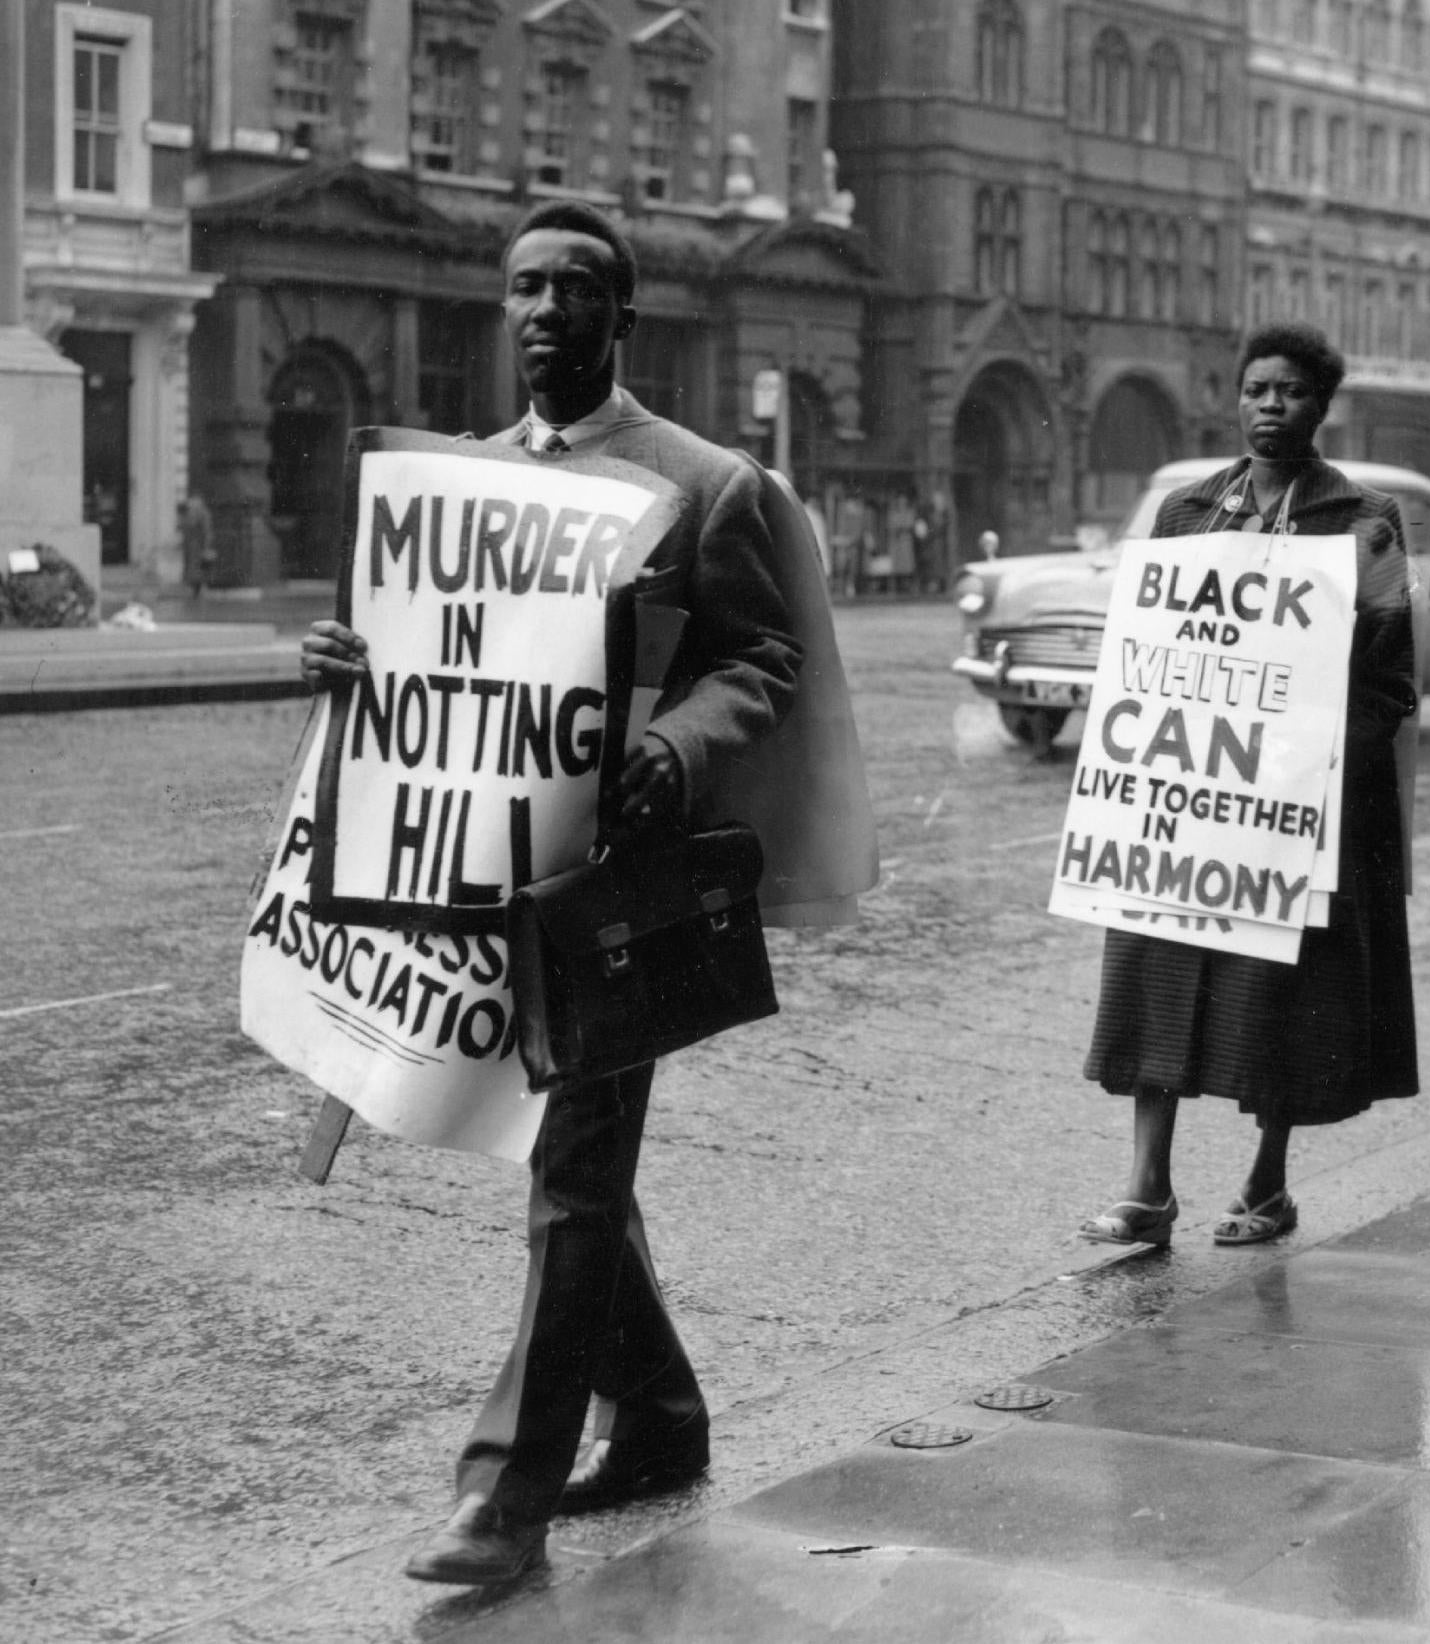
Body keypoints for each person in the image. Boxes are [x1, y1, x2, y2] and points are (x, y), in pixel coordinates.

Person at [300, 199, 874, 1585]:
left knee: (569, 1172)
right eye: (524, 289)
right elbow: (420, 663)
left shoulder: (702, 483)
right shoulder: (455, 488)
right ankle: (663, 1416)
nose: (544, 310)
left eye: (572, 290)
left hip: (614, 894)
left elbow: (761, 660)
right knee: (576, 1175)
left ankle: (504, 1498)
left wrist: (677, 750)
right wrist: (345, 662)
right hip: (476, 883)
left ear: (621, 320)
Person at [1077, 321, 1419, 1247]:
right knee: (1156, 968)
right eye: (1256, 389)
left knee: (1280, 997)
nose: (1271, 406)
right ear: (1234, 397)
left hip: (1296, 811)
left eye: (1292, 392)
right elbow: (1143, 657)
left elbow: (1389, 680)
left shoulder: (1365, 521)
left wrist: (1305, 750)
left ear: (1322, 406)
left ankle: (1266, 1185)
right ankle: (1147, 1189)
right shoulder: (1185, 514)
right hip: (1191, 804)